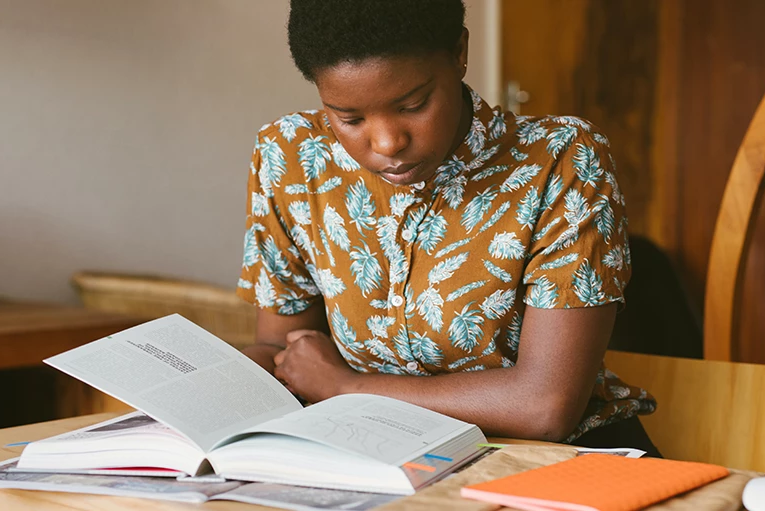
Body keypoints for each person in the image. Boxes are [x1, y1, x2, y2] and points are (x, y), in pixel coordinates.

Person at [236, 0, 659, 455]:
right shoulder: (293, 158)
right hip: (374, 456)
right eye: (349, 118)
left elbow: (545, 407)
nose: (387, 143)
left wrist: (346, 387)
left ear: (459, 52)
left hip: (555, 463)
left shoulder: (560, 161)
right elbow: (288, 354)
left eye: (413, 105)